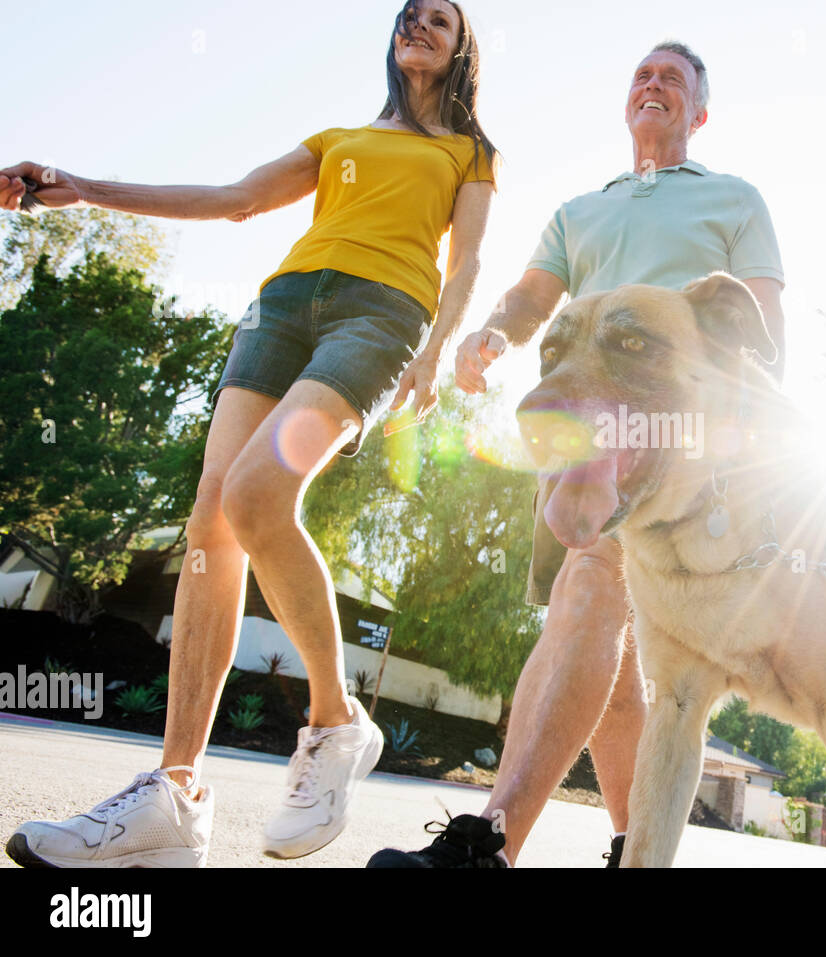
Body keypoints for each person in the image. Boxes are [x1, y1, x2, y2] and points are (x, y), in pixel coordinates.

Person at [2, 0, 497, 868]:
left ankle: (337, 716)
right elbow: (231, 200)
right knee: (209, 526)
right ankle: (175, 794)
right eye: (408, 14)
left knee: (259, 493)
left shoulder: (469, 151)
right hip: (280, 308)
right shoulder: (338, 135)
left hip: (379, 316)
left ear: (461, 49)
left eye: (440, 20)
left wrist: (438, 349)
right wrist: (83, 187)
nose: (419, 23)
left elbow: (469, 262)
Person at [368, 40, 785, 868]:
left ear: (699, 112)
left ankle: (490, 840)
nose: (652, 84)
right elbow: (532, 295)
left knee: (591, 589)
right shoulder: (580, 211)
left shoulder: (735, 200)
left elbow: (765, 337)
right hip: (572, 414)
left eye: (673, 78)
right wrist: (493, 333)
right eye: (641, 74)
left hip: (669, 433)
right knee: (598, 642)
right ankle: (635, 847)